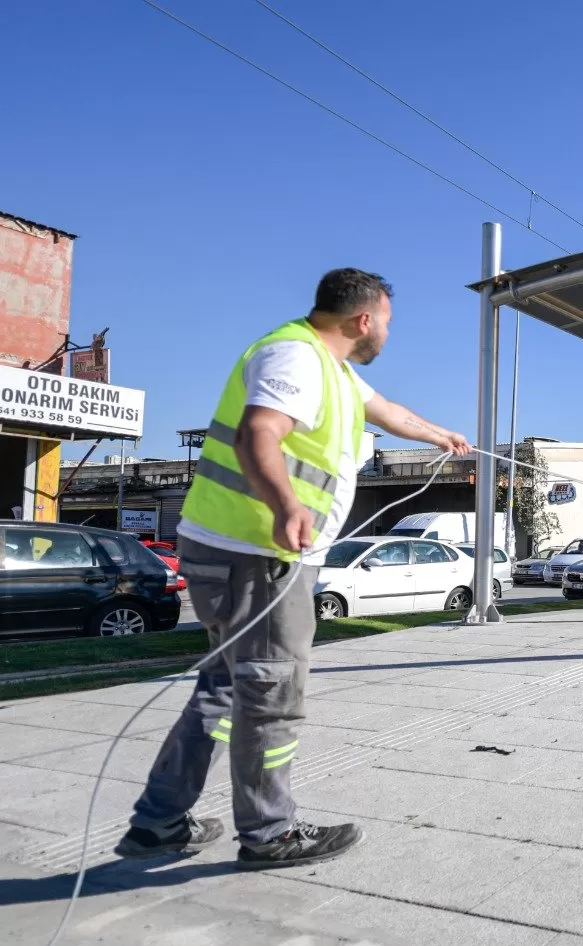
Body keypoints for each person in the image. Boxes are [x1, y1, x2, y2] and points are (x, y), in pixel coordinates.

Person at [117, 269, 470, 869]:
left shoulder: (333, 370)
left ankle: (158, 823)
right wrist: (286, 507)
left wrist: (442, 436)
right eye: (386, 320)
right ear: (364, 320)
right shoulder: (296, 359)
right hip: (256, 553)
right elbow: (261, 432)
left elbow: (386, 409)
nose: (387, 330)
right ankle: (269, 835)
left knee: (227, 689)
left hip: (238, 551)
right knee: (271, 692)